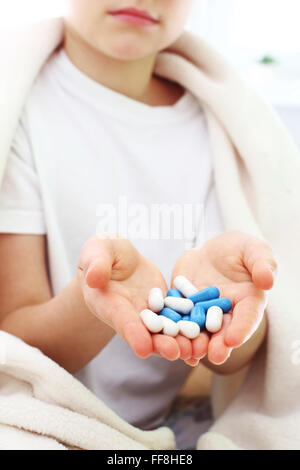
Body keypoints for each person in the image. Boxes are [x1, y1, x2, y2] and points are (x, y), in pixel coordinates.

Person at [0, 0, 277, 448]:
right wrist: (92, 303)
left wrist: (234, 314)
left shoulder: (220, 123)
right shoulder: (16, 107)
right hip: (41, 415)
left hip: (169, 423)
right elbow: (12, 341)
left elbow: (237, 359)